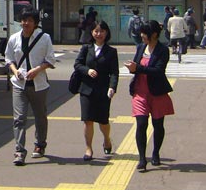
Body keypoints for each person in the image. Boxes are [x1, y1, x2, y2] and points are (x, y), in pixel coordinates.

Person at [5, 9, 56, 166]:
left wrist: (37, 70)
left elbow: (50, 60)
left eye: (29, 21)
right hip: (19, 84)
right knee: (19, 118)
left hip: (38, 85)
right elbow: (9, 58)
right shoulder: (14, 38)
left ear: (35, 23)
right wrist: (15, 71)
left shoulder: (44, 38)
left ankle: (40, 144)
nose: (26, 23)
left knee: (40, 116)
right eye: (24, 20)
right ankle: (19, 152)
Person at [125, 20, 174, 172]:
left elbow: (158, 70)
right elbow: (136, 67)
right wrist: (132, 68)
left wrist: (138, 68)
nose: (142, 36)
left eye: (144, 33)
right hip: (140, 93)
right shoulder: (141, 47)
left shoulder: (163, 50)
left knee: (158, 125)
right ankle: (142, 158)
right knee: (141, 124)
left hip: (157, 92)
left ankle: (156, 153)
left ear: (154, 35)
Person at [73, 20, 120, 161]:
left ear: (106, 33)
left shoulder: (111, 51)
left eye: (102, 31)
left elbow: (114, 72)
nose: (99, 34)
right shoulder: (86, 48)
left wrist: (112, 87)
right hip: (86, 89)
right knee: (87, 120)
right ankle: (88, 148)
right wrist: (87, 70)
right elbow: (77, 64)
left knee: (103, 121)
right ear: (92, 32)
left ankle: (107, 139)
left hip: (103, 90)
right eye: (96, 31)